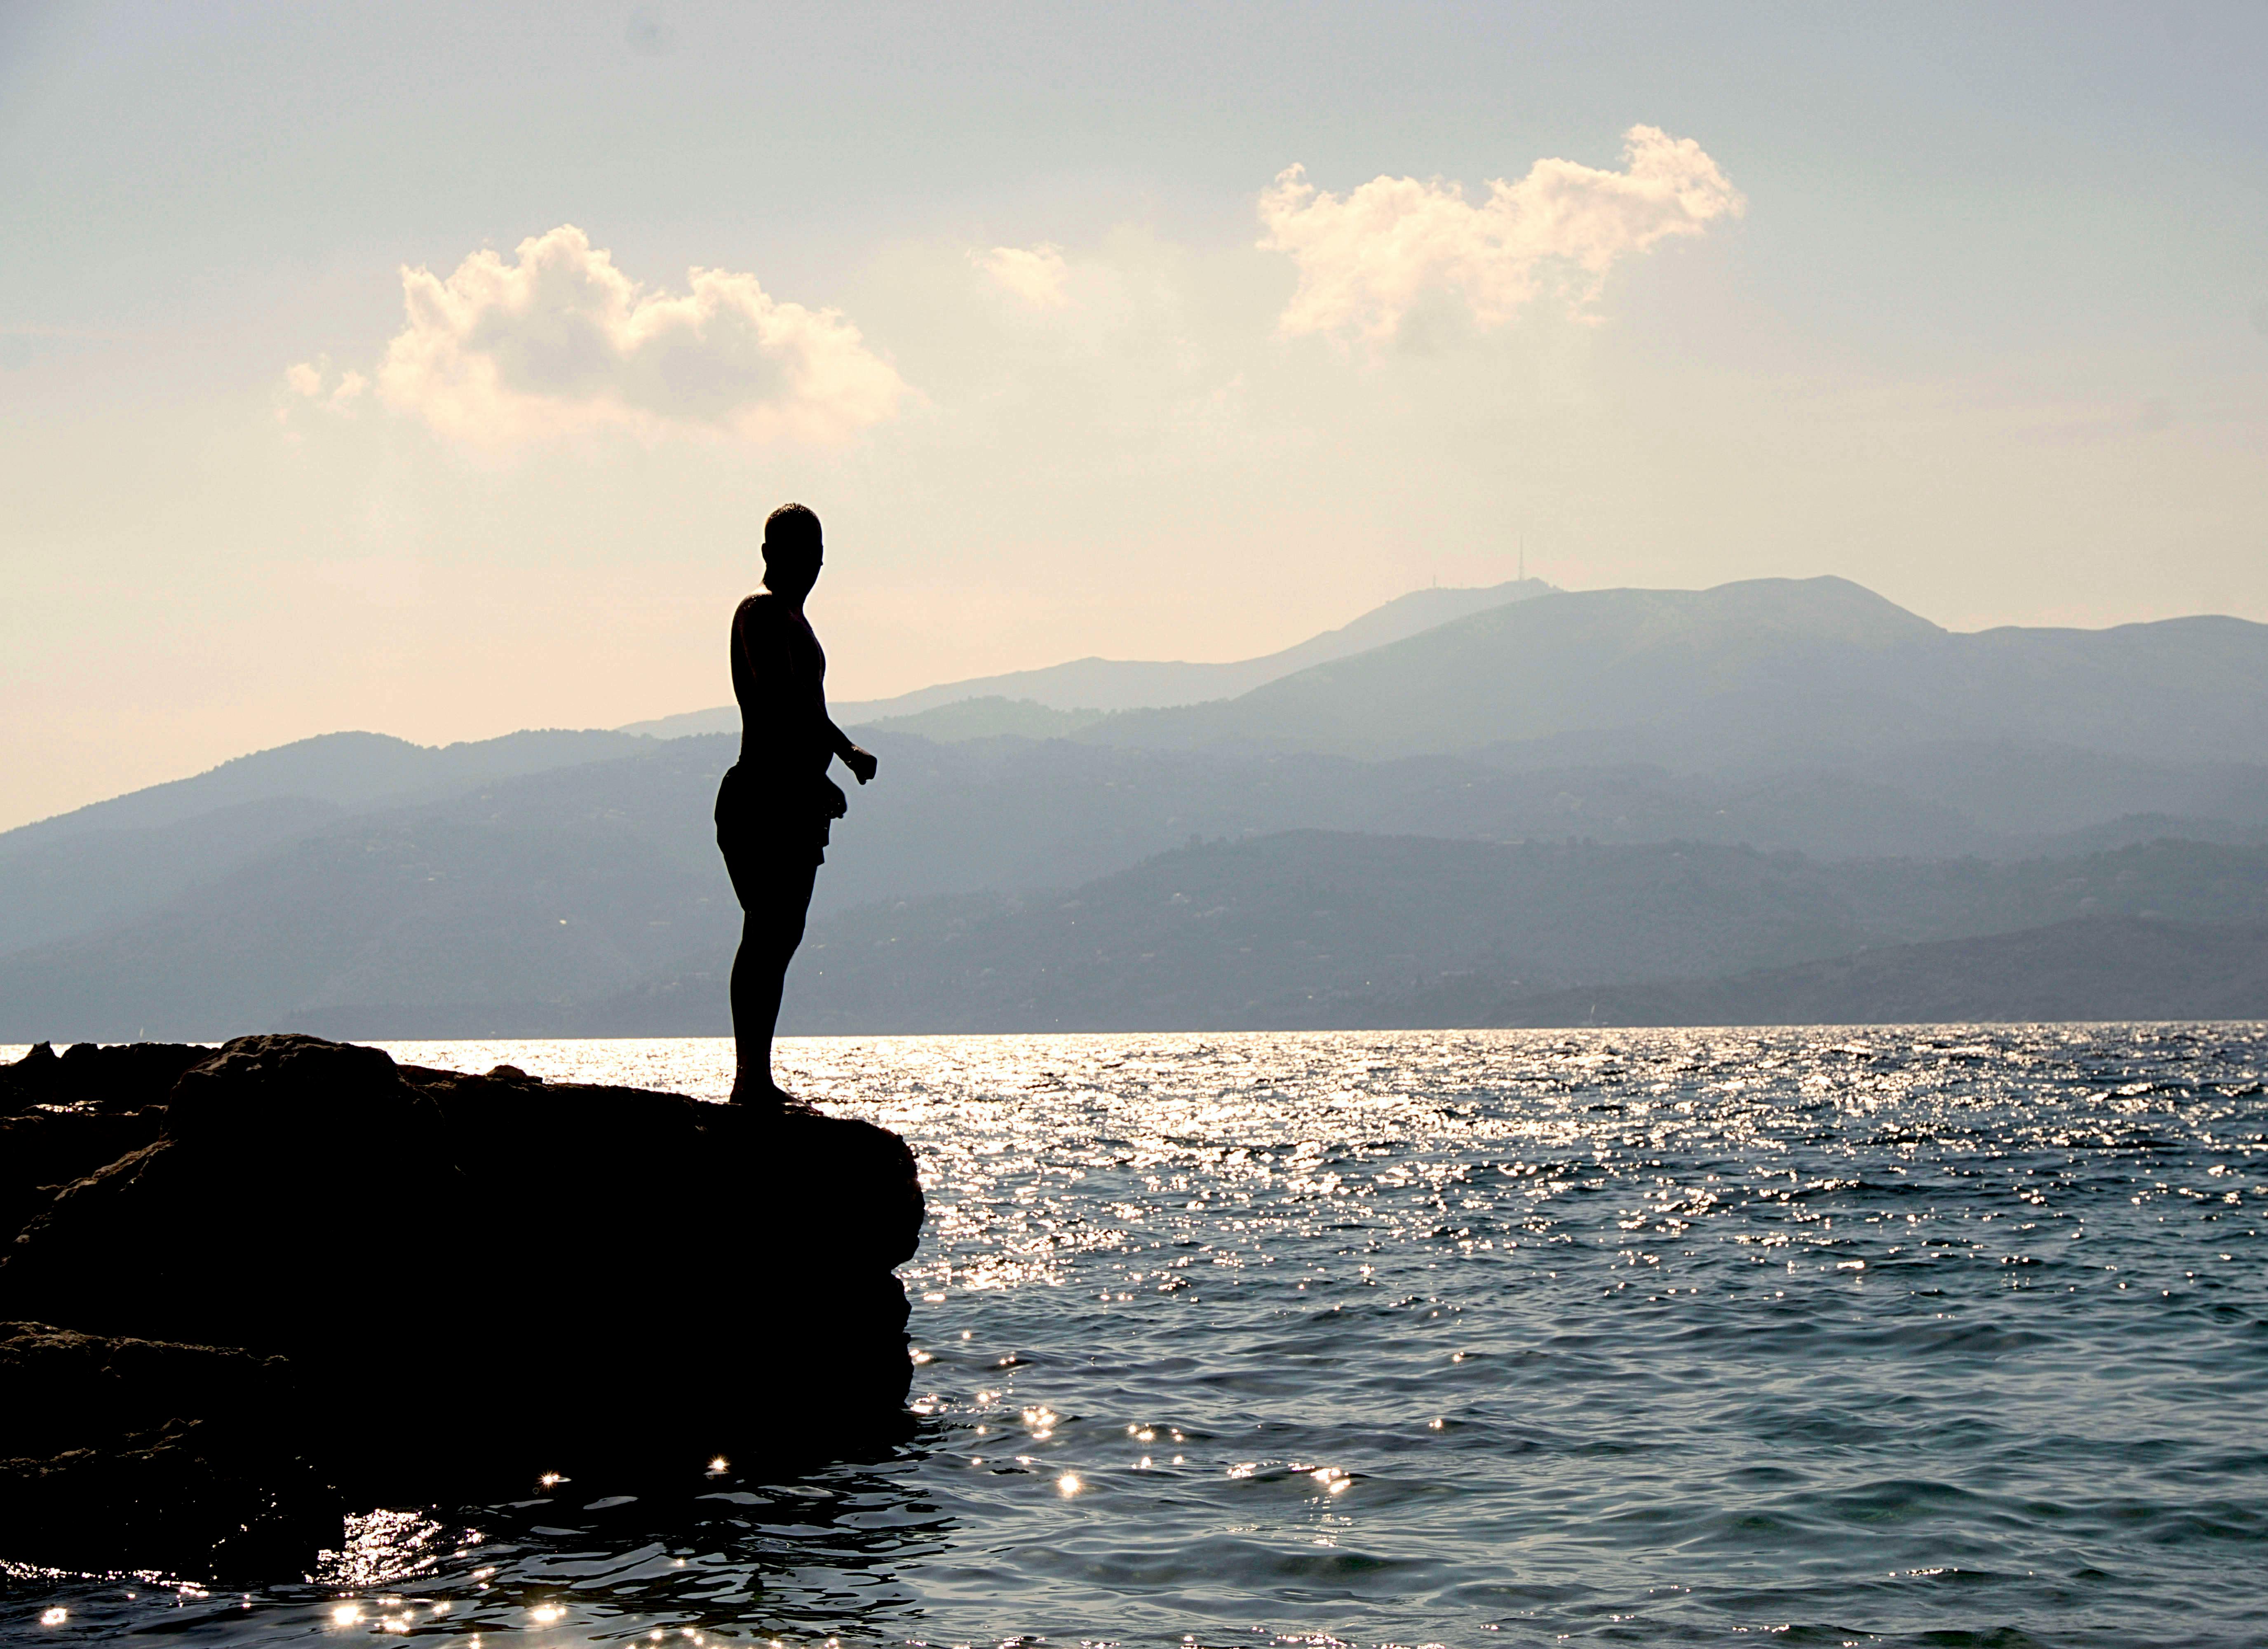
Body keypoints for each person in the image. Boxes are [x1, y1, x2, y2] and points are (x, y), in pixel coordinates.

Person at [714, 503, 877, 1107]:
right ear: (767, 557)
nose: (806, 564)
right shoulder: (759, 614)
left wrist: (843, 751)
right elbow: (780, 697)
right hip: (763, 794)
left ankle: (757, 1075)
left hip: (794, 798)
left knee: (781, 935)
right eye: (792, 551)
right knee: (766, 931)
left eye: (813, 552)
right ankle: (749, 1077)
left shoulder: (795, 623)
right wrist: (824, 768)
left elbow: (807, 705)